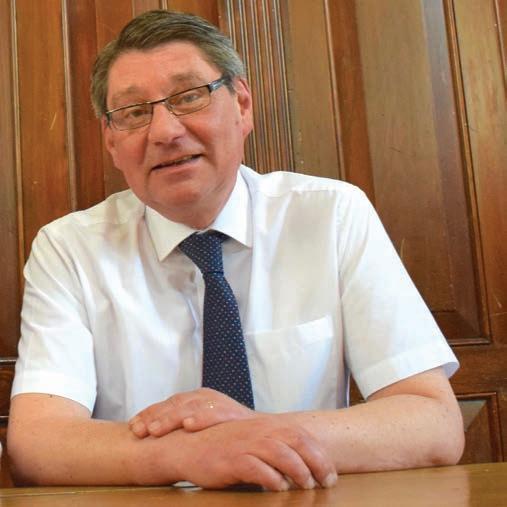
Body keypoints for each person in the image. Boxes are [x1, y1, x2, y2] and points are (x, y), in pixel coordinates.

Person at [7, 10, 464, 491]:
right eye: (135, 112)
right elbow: (37, 443)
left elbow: (432, 422)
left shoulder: (331, 215)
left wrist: (256, 436)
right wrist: (188, 453)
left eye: (189, 97)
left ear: (242, 106)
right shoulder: (69, 248)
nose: (164, 132)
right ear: (111, 141)